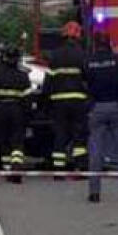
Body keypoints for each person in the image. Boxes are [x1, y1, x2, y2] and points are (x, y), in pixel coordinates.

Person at [83, 31, 118, 203]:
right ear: (109, 44)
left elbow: (85, 82)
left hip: (97, 107)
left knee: (96, 151)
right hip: (116, 107)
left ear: (95, 44)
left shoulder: (88, 62)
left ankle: (94, 193)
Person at [44, 21, 89, 175]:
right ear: (78, 36)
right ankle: (80, 166)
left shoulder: (55, 55)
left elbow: (48, 81)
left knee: (60, 133)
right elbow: (88, 78)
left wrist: (45, 101)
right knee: (79, 133)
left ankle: (58, 167)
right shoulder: (83, 54)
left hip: (59, 102)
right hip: (78, 101)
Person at [0, 45, 32, 184]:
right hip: (17, 110)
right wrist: (27, 115)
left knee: (4, 140)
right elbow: (27, 99)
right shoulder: (23, 75)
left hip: (1, 110)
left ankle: (8, 169)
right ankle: (16, 165)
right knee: (17, 140)